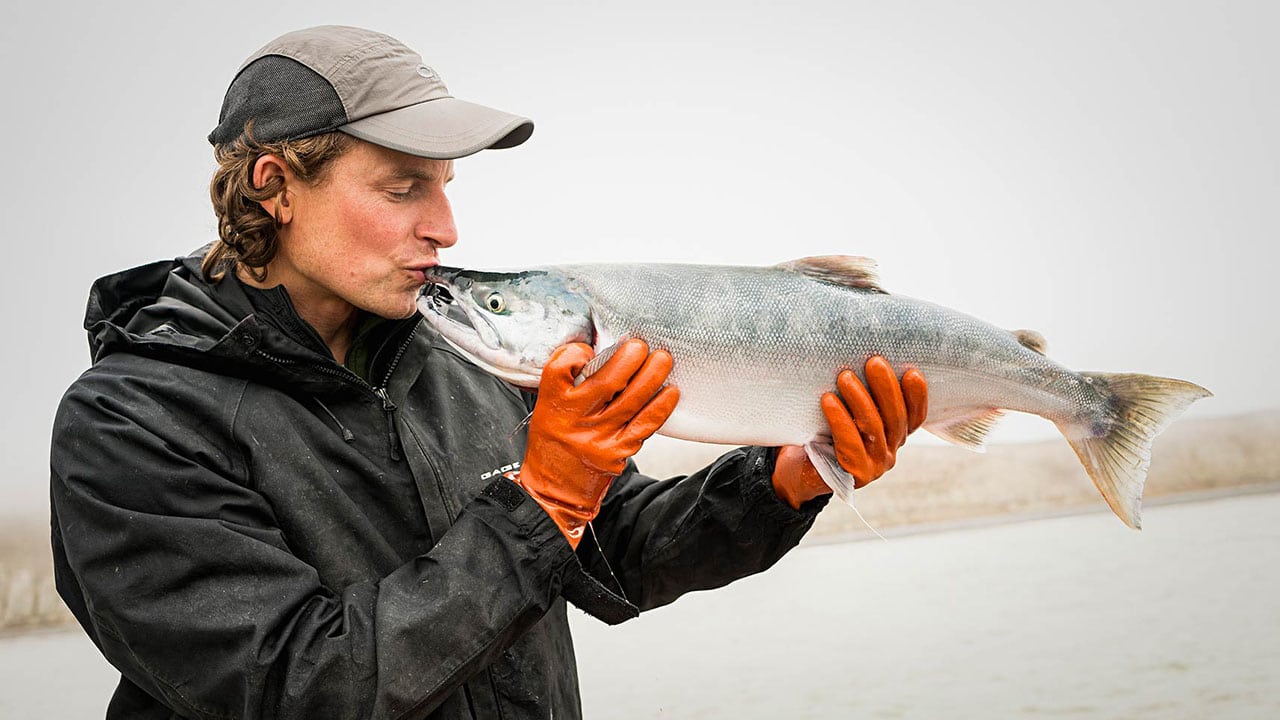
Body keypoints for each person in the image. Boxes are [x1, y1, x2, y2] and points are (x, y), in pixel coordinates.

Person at [50, 25, 928, 720]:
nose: (447, 228)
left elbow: (614, 553)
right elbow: (302, 686)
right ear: (277, 185)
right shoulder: (131, 422)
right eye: (403, 189)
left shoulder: (463, 356)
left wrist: (787, 475)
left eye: (447, 184)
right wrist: (545, 497)